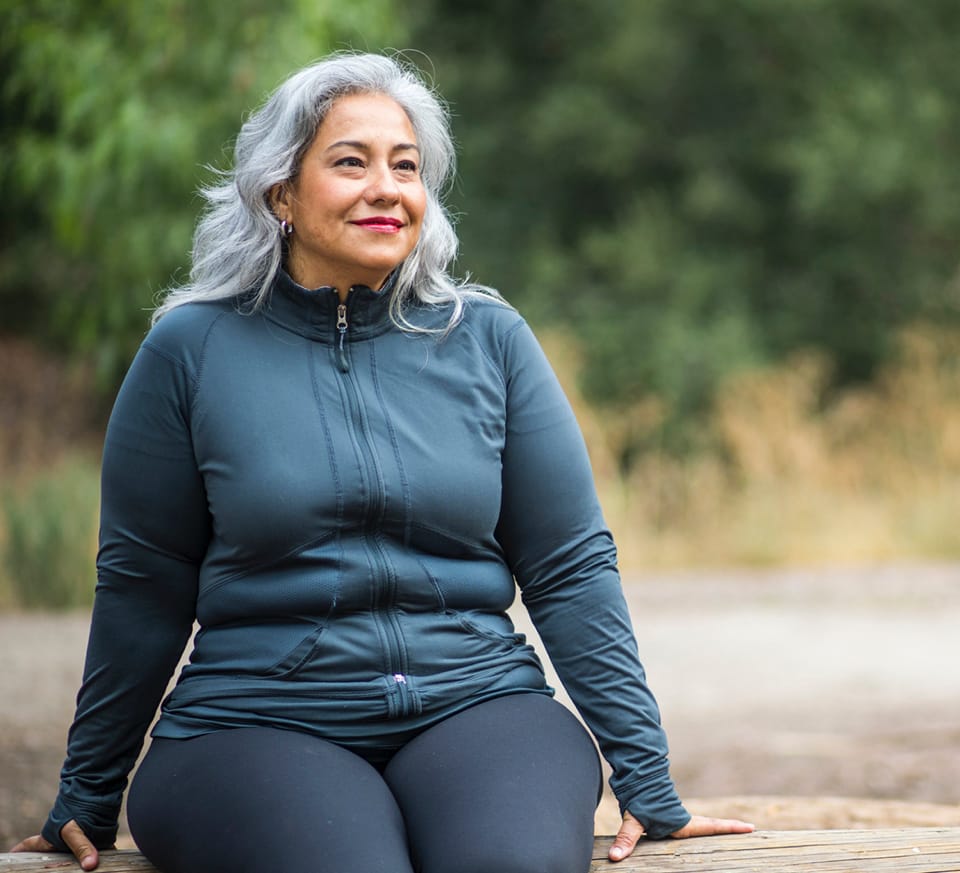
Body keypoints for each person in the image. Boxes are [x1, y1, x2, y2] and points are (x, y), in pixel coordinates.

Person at [11, 52, 753, 873]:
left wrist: (647, 777)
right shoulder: (190, 350)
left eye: (406, 166)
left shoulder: (487, 339)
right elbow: (143, 584)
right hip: (257, 720)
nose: (386, 187)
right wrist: (87, 788)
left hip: (479, 703)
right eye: (350, 162)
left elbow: (569, 565)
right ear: (279, 194)